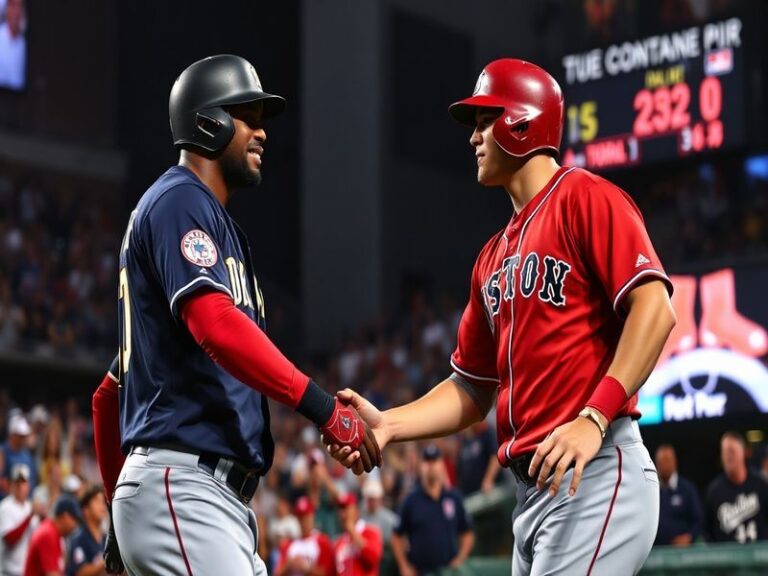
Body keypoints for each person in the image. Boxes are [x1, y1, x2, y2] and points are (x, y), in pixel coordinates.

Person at [327, 59, 675, 575]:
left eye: (484, 120)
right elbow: (470, 389)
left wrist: (595, 416)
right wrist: (391, 425)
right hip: (533, 492)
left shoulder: (586, 197)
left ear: (523, 120)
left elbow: (655, 308)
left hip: (597, 466)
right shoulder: (492, 256)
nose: (474, 137)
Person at [90, 54, 380, 576]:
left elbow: (110, 393)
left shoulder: (204, 220)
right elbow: (215, 324)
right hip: (184, 488)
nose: (261, 133)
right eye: (248, 115)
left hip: (199, 498)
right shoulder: (180, 199)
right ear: (209, 122)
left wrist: (117, 512)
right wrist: (321, 406)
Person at [390, 445, 474, 576]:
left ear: (441, 464)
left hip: (449, 571)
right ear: (421, 465)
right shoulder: (411, 500)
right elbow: (396, 536)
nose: (431, 466)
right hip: (421, 571)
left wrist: (460, 558)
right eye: (427, 461)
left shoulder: (453, 497)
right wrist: (404, 566)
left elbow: (467, 533)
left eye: (434, 461)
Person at [705, 431, 768, 543]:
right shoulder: (714, 491)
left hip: (760, 557)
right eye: (724, 452)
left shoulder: (760, 484)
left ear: (743, 453)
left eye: (732, 451)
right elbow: (708, 533)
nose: (728, 456)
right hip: (727, 558)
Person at [654, 444, 703, 546]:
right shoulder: (652, 490)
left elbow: (698, 521)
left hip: (682, 554)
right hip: (657, 551)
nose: (664, 465)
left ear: (674, 462)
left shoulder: (687, 489)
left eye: (667, 460)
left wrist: (689, 537)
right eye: (661, 461)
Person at [274, 496, 335, 576]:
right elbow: (276, 573)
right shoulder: (290, 544)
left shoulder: (322, 541)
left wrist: (306, 567)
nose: (303, 520)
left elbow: (328, 572)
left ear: (312, 516)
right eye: (300, 517)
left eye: (306, 516)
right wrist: (288, 565)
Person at [23, 495, 81, 576]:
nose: (76, 526)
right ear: (65, 517)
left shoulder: (55, 533)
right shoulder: (48, 534)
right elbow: (52, 574)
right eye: (75, 520)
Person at [0, 464, 41, 576]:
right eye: (17, 482)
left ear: (28, 485)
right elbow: (10, 539)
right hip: (9, 572)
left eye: (23, 482)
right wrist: (30, 517)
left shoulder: (30, 506)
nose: (19, 486)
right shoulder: (5, 507)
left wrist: (43, 517)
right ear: (11, 485)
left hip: (27, 571)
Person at [333, 493, 382, 576]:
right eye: (340, 510)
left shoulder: (370, 532)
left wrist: (352, 531)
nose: (342, 514)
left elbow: (373, 558)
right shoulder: (338, 542)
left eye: (345, 509)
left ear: (356, 511)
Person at [67, 486, 108, 576]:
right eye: (97, 501)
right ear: (86, 510)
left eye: (103, 501)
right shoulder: (78, 539)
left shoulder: (107, 538)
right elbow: (81, 572)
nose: (102, 505)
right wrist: (107, 560)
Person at [457, 419, 501, 495]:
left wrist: (488, 480)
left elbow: (496, 457)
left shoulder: (486, 431)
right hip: (471, 492)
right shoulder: (464, 439)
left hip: (489, 492)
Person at [1, 415, 36, 492]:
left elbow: (31, 483)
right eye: (20, 436)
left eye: (24, 436)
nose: (22, 439)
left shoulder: (27, 457)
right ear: (12, 435)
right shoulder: (2, 452)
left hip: (24, 501)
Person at [359, 478, 398, 544]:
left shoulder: (390, 519)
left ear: (380, 499)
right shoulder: (360, 516)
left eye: (374, 499)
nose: (372, 502)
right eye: (369, 499)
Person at [0, 0, 25, 90]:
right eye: (13, 6)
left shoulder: (23, 44)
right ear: (6, 9)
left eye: (19, 7)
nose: (16, 11)